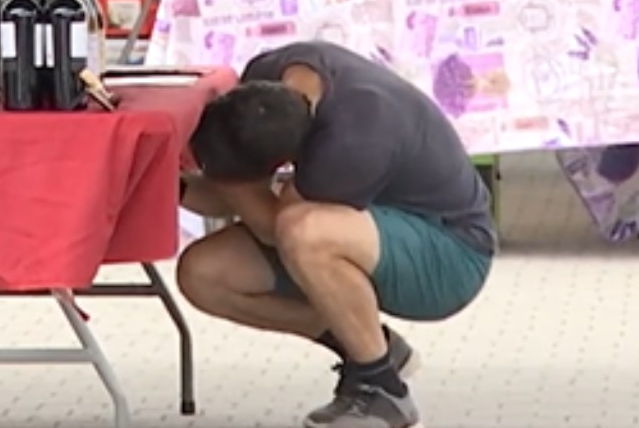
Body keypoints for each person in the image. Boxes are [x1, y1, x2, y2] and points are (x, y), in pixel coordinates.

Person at [179, 40, 496, 428]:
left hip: (451, 254)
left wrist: (224, 178)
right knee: (204, 274)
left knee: (305, 232)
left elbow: (271, 226)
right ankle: (375, 349)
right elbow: (233, 196)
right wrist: (168, 186)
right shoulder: (269, 77)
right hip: (369, 226)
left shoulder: (350, 144)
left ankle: (382, 392)